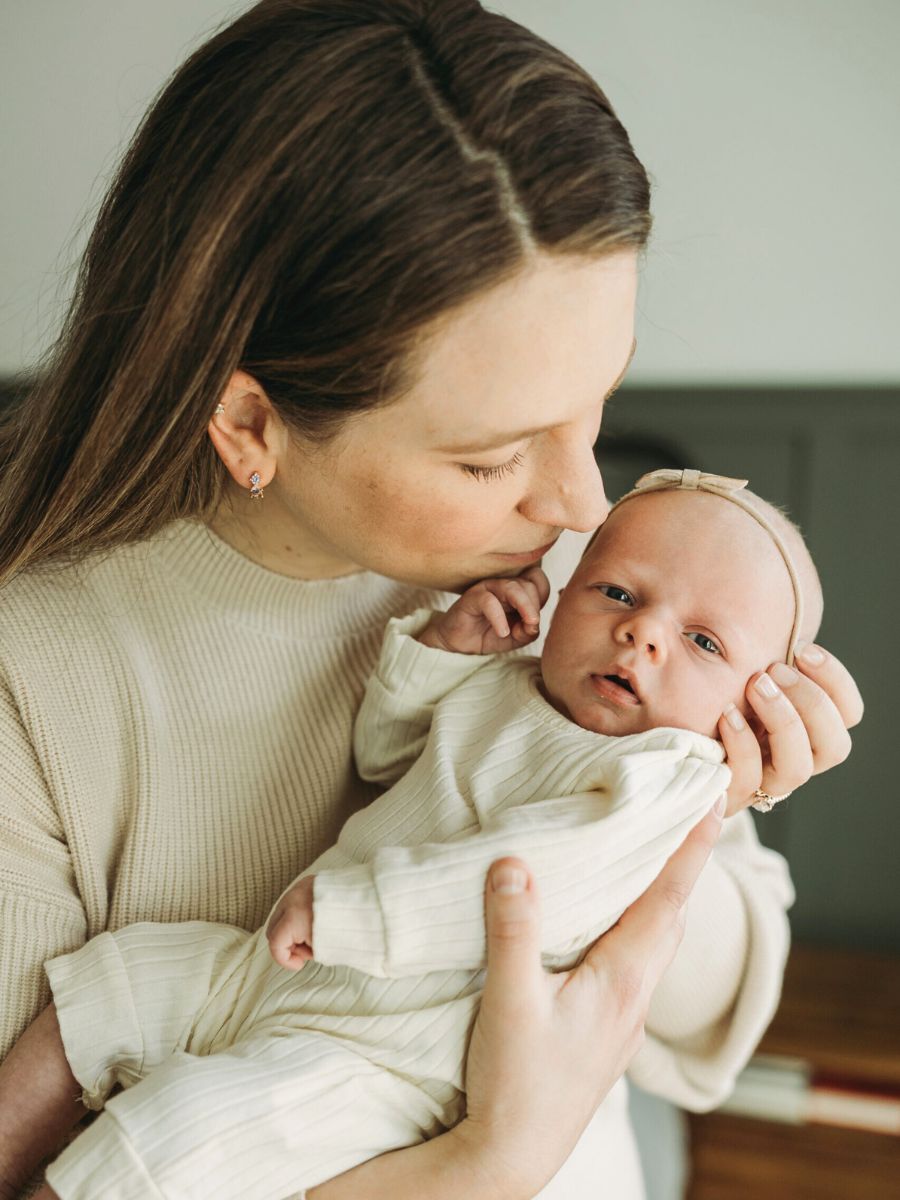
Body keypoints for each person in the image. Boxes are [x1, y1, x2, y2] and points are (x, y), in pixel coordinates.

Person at [0, 2, 862, 1198]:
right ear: (251, 423)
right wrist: (485, 1166)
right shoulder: (32, 680)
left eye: (598, 404)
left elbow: (725, 993)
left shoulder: (598, 587)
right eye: (490, 457)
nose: (576, 502)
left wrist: (690, 803)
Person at [0, 469, 825, 1200]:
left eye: (705, 641)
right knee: (121, 977)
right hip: (281, 974)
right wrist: (439, 657)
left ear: (754, 702)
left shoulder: (667, 775)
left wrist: (359, 913)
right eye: (617, 593)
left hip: (387, 1057)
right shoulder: (515, 680)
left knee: (188, 1132)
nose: (643, 633)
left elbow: (531, 883)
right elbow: (387, 754)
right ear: (571, 593)